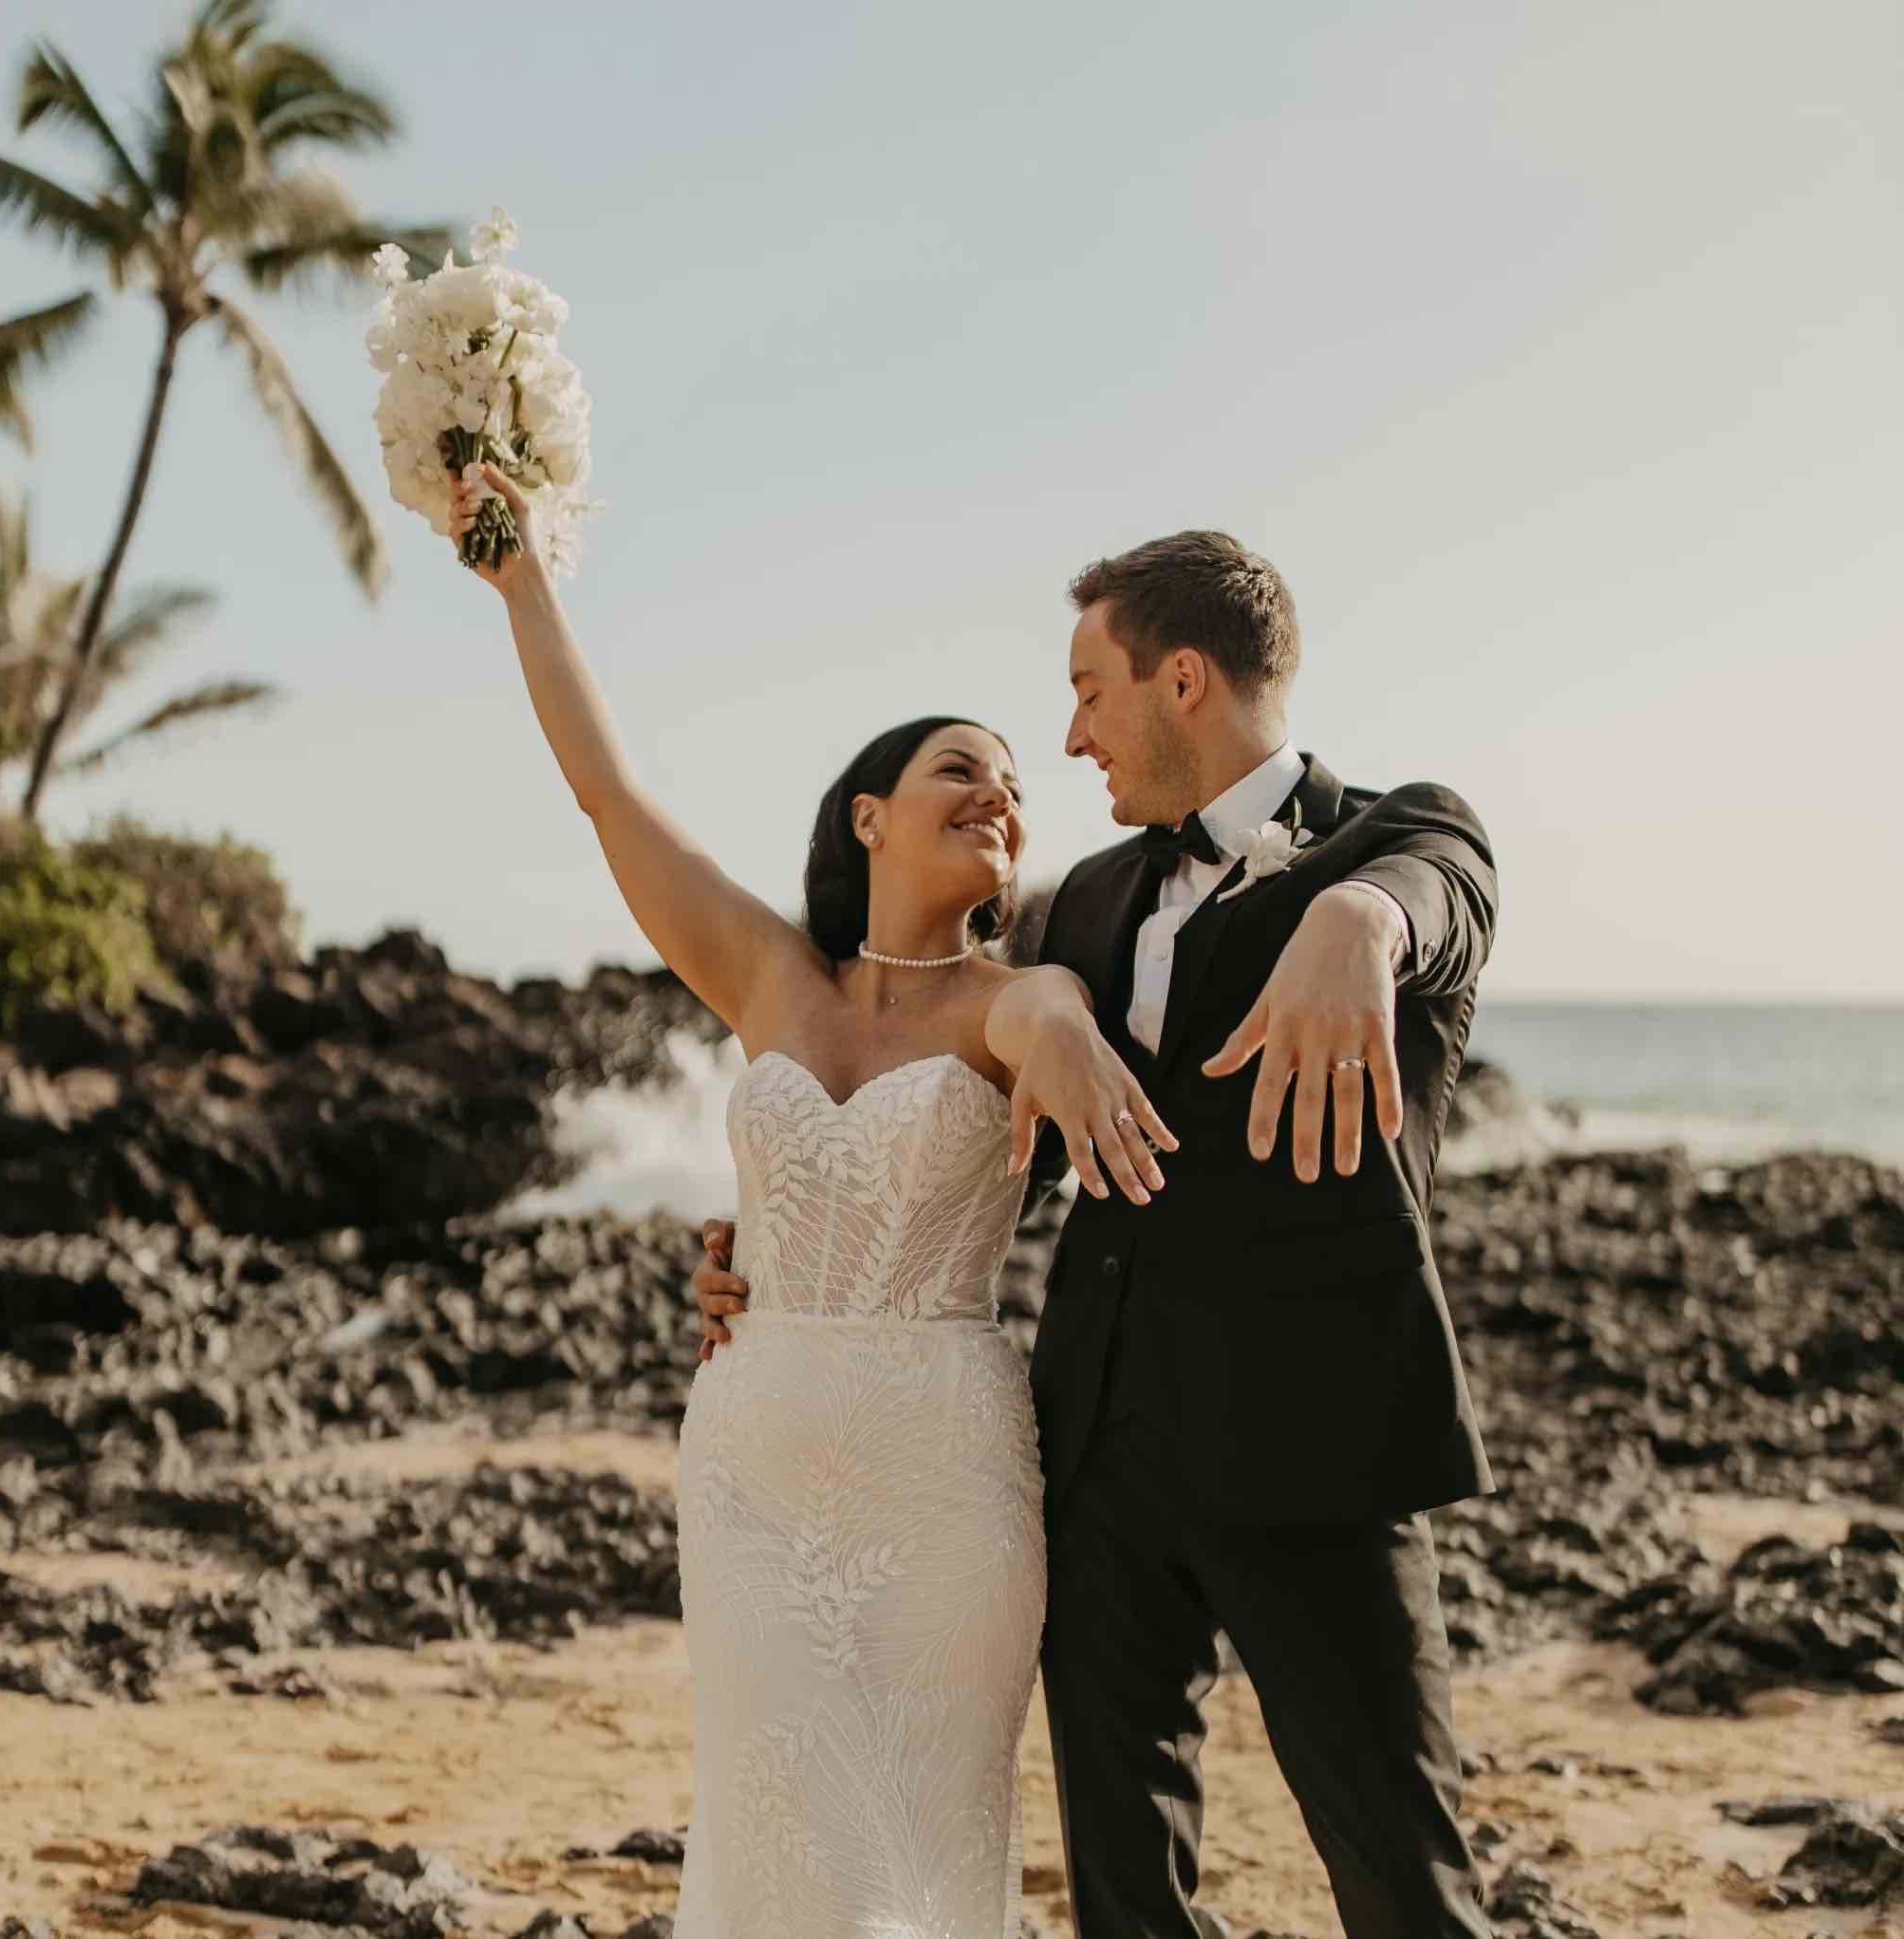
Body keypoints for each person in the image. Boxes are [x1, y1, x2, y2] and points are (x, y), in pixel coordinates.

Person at [697, 530, 1499, 1938]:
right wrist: (766, 1238)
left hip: (1314, 1458)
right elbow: (962, 1108)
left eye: (1088, 690)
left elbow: (1449, 886)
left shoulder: (1396, 838)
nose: (1069, 737)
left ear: (1182, 679)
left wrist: (1360, 921)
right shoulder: (1086, 904)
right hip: (1096, 1466)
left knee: (1402, 1881)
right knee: (1126, 1897)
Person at [443, 463, 1183, 1939]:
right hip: (753, 1475)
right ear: (868, 819)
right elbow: (605, 791)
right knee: (776, 1846)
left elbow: (1048, 1029)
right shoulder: (770, 979)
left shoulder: (1017, 996)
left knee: (915, 1859)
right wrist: (520, 576)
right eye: (960, 770)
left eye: (1017, 790)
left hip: (949, 1481)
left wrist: (1071, 1042)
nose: (1000, 794)